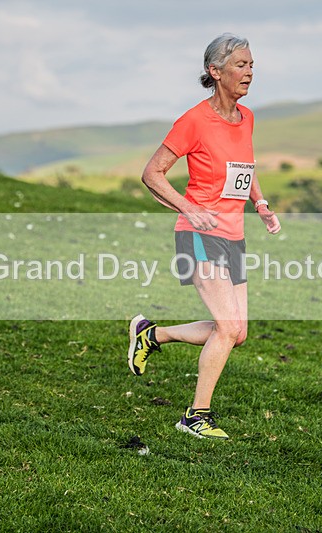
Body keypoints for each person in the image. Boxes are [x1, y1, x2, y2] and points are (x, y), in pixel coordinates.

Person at [127, 33, 280, 440]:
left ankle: (151, 335)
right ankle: (195, 416)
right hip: (198, 234)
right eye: (240, 65)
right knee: (227, 328)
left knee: (237, 333)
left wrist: (261, 202)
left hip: (234, 236)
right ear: (215, 71)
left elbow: (245, 165)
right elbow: (152, 173)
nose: (249, 72)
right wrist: (188, 207)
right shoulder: (194, 120)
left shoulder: (246, 117)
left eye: (251, 65)